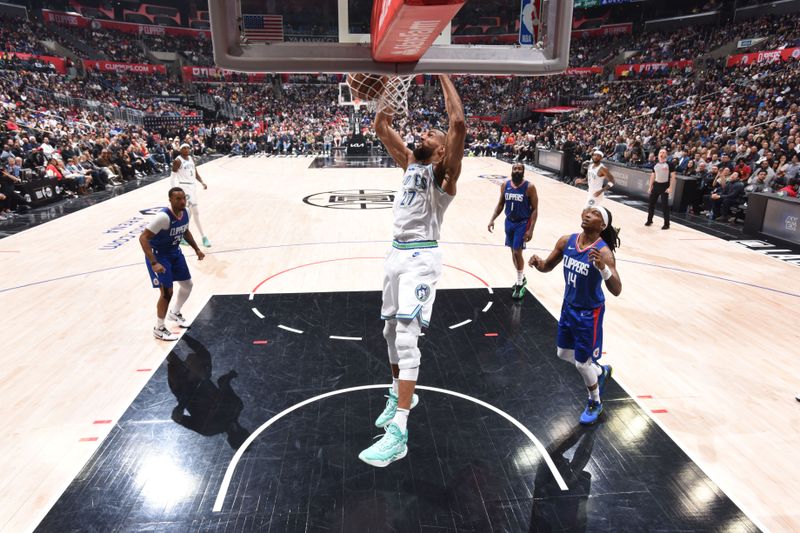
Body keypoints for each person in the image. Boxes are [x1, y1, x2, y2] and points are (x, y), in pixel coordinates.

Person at [358, 74, 466, 467]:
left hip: (422, 258)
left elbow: (457, 125)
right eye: (423, 133)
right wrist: (384, 89)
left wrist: (440, 71)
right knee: (388, 330)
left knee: (406, 338)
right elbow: (381, 127)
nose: (425, 134)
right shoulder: (408, 162)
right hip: (396, 254)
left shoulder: (445, 175)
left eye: (431, 136)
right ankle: (397, 393)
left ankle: (399, 431)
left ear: (441, 152)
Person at [528, 206, 622, 425]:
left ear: (603, 225)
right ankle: (599, 371)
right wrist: (538, 263)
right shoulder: (566, 241)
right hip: (568, 307)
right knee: (562, 353)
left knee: (581, 364)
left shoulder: (603, 252)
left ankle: (595, 403)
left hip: (590, 313)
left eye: (595, 214)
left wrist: (603, 269)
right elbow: (547, 266)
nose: (588, 214)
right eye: (587, 211)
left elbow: (617, 289)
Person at [139, 187, 205, 341]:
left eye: (183, 198)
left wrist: (196, 249)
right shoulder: (163, 217)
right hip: (159, 256)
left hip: (175, 253)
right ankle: (159, 328)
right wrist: (154, 263)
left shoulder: (186, 212)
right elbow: (143, 238)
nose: (182, 201)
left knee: (187, 285)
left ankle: (175, 312)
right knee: (167, 293)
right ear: (170, 200)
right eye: (178, 199)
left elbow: (185, 231)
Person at [487, 162, 539, 299]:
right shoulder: (505, 185)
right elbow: (500, 204)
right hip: (509, 222)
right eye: (515, 168)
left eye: (519, 169)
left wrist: (531, 230)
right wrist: (492, 219)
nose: (517, 171)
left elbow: (535, 209)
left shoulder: (530, 187)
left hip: (522, 223)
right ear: (512, 170)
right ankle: (521, 277)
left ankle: (520, 283)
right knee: (513, 252)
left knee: (517, 252)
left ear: (523, 171)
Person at [172, 143, 211, 247]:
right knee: (196, 212)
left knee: (188, 214)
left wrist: (202, 182)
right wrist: (173, 191)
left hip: (193, 187)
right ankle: (204, 237)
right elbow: (172, 177)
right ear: (180, 150)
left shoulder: (191, 158)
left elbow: (195, 173)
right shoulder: (178, 160)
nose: (187, 149)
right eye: (184, 148)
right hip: (184, 188)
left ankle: (181, 236)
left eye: (188, 147)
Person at [645, 148, 677, 229]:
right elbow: (653, 175)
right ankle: (649, 220)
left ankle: (667, 224)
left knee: (664, 206)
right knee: (651, 204)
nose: (662, 154)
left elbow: (673, 177)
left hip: (665, 186)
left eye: (663, 152)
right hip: (656, 185)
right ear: (658, 154)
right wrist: (650, 186)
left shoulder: (669, 164)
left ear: (666, 155)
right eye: (660, 152)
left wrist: (670, 187)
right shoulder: (655, 164)